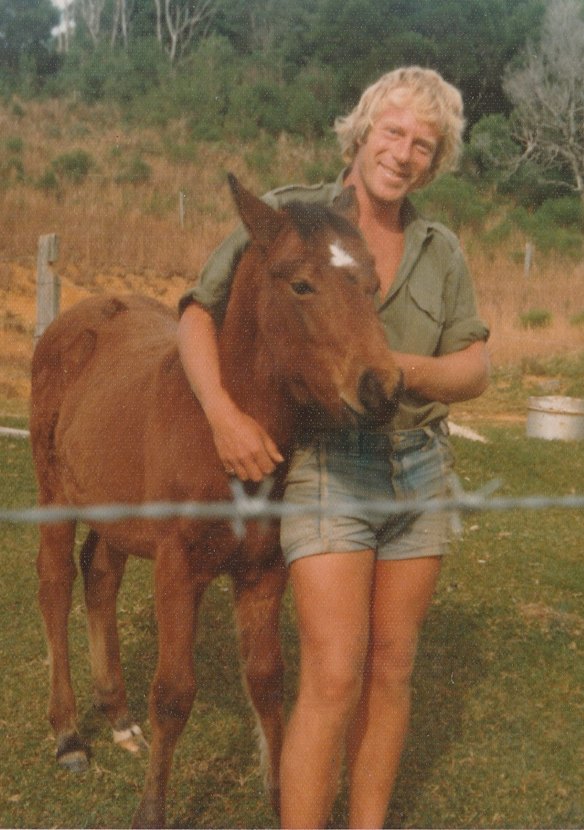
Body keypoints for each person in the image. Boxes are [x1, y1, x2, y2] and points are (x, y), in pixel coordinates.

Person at [177, 66, 490, 829]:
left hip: (418, 468)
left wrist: (401, 370)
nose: (403, 153)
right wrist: (220, 413)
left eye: (423, 144)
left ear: (435, 160)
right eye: (393, 131)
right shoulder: (290, 216)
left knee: (392, 669)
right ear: (362, 130)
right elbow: (196, 311)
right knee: (333, 675)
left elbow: (475, 367)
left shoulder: (439, 249)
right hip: (330, 468)